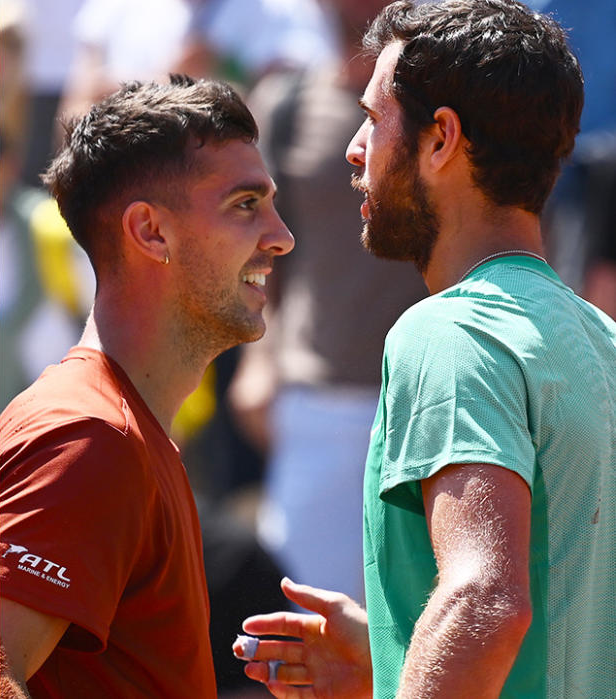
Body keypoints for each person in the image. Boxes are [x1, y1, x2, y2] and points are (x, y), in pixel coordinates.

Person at [234, 1, 616, 697]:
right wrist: (392, 657)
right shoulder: (602, 341)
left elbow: (484, 602)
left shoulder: (447, 333)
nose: (355, 147)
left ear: (441, 139)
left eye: (375, 118)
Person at [0, 74, 294, 697]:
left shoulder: (123, 432)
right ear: (150, 232)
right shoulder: (85, 438)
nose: (281, 236)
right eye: (246, 204)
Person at [231, 0, 424, 607]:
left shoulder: (449, 103)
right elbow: (263, 248)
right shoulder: (286, 104)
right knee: (304, 626)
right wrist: (258, 364)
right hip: (317, 404)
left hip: (433, 399)